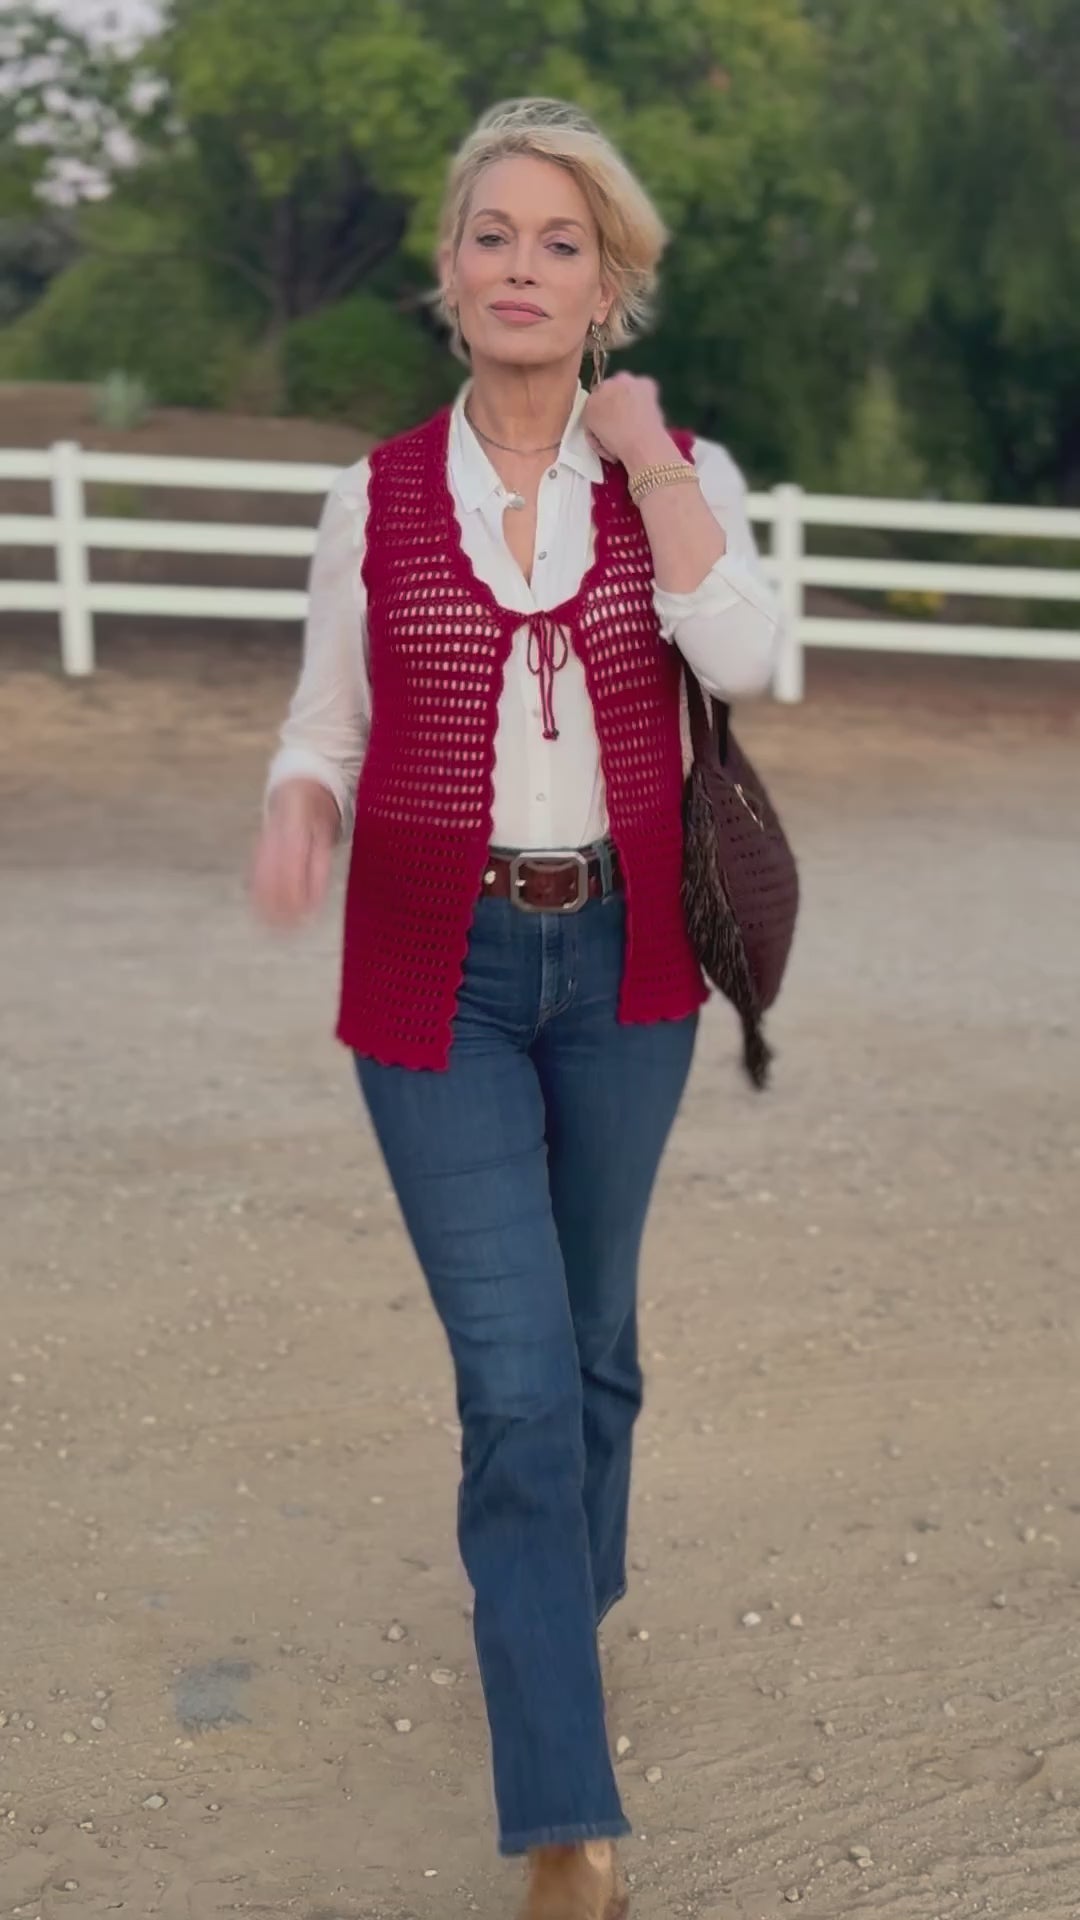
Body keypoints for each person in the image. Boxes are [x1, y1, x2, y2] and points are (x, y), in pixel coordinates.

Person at [252, 96, 779, 1920]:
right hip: (437, 975)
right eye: (494, 235)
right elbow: (326, 716)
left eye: (563, 242)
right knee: (519, 1383)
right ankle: (567, 1818)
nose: (523, 267)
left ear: (610, 285)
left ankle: (563, 1604)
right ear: (450, 272)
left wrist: (650, 467)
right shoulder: (374, 496)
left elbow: (752, 657)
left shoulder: (673, 467)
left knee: (599, 1348)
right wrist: (298, 807)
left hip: (630, 965)